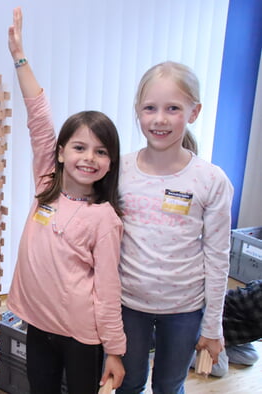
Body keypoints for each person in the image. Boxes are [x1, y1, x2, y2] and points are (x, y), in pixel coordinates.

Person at [6, 7, 126, 393]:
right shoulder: (47, 183)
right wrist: (20, 58)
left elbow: (108, 290)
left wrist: (115, 350)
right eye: (79, 147)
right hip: (38, 324)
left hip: (81, 334)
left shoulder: (104, 219)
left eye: (101, 151)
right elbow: (39, 119)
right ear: (59, 153)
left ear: (111, 163)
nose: (89, 158)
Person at [116, 61, 234, 393]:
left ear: (193, 112)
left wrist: (212, 327)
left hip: (184, 309)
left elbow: (217, 257)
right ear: (138, 112)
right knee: (129, 383)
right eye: (150, 108)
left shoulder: (211, 180)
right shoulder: (120, 170)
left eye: (173, 108)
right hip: (128, 305)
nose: (160, 119)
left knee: (169, 385)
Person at [190, 279, 262, 377]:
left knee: (251, 356)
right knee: (220, 369)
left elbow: (252, 283)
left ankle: (213, 352)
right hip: (216, 326)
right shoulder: (257, 301)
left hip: (233, 332)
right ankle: (175, 353)